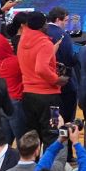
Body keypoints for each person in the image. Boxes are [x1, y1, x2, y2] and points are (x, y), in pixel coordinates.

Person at [16, 12, 66, 144]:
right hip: (49, 96)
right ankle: (50, 164)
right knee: (53, 131)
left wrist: (53, 65)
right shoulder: (45, 42)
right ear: (41, 26)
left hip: (28, 95)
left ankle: (33, 163)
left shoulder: (23, 39)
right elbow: (40, 68)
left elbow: (32, 63)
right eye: (45, 23)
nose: (47, 26)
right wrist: (57, 79)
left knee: (32, 136)